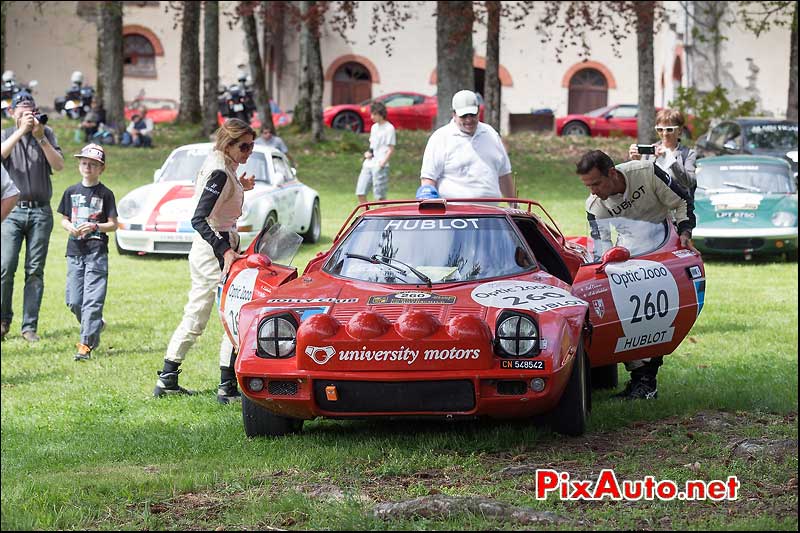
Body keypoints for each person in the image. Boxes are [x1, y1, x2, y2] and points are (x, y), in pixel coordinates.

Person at [576, 149, 697, 400]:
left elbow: (682, 200)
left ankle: (645, 381)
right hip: (627, 253)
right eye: (588, 186)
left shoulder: (646, 172)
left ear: (612, 173)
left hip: (664, 244)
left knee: (653, 317)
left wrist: (685, 234)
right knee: (624, 313)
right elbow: (601, 246)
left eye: (596, 183)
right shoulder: (595, 206)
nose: (593, 191)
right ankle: (641, 379)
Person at [154, 118, 256, 403]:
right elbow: (199, 218)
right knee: (225, 313)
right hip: (214, 249)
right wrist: (224, 251)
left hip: (218, 245)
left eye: (252, 146)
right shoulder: (220, 171)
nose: (248, 152)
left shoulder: (223, 166)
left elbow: (216, 196)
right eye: (244, 146)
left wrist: (241, 185)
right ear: (228, 143)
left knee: (213, 312)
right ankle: (224, 386)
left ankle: (171, 378)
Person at [1, 90, 65, 342]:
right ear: (12, 113)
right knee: (5, 267)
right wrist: (20, 131)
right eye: (23, 111)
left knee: (35, 270)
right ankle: (3, 321)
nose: (28, 115)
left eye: (32, 111)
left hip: (41, 211)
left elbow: (59, 166)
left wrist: (40, 138)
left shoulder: (46, 134)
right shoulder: (7, 135)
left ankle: (29, 327)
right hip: (12, 212)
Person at [56, 144, 118, 361]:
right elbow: (64, 219)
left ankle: (85, 345)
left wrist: (95, 227)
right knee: (74, 301)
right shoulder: (71, 191)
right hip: (74, 251)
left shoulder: (106, 194)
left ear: (101, 168)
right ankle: (96, 325)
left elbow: (113, 224)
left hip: (96, 251)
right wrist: (69, 227)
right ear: (79, 165)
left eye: (93, 164)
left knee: (93, 300)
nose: (87, 167)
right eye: (84, 163)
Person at [419, 89, 515, 201]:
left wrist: (514, 205)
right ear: (454, 114)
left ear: (479, 111)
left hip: (490, 215)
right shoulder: (440, 138)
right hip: (453, 215)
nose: (469, 120)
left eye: (472, 115)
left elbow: (504, 175)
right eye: (464, 116)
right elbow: (428, 179)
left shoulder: (491, 134)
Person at [629, 108, 697, 198]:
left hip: (678, 207)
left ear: (680, 130)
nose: (664, 134)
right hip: (654, 208)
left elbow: (689, 183)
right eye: (660, 129)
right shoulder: (650, 152)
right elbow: (641, 184)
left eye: (669, 129)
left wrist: (669, 159)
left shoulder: (688, 154)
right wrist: (636, 162)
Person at [355, 102, 396, 204]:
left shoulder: (389, 128)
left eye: (374, 114)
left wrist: (383, 163)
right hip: (369, 164)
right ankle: (366, 217)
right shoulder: (374, 127)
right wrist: (368, 153)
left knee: (379, 197)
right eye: (371, 114)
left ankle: (382, 219)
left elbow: (391, 149)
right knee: (360, 192)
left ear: (381, 114)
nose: (372, 117)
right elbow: (372, 147)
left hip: (380, 165)